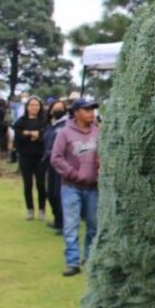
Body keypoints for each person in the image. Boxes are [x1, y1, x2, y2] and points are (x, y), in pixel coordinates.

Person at [50, 98, 101, 277]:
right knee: (71, 225)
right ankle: (72, 262)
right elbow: (56, 158)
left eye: (93, 110)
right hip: (71, 187)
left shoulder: (98, 132)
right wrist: (73, 173)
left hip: (93, 187)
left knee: (93, 225)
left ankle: (89, 258)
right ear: (77, 112)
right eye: (87, 110)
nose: (91, 113)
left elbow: (103, 155)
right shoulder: (65, 133)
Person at [13, 96, 48, 220]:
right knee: (27, 184)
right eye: (32, 105)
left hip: (40, 156)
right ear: (27, 107)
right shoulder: (20, 122)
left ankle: (42, 209)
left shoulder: (44, 121)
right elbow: (18, 139)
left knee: (41, 184)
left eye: (37, 105)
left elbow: (45, 136)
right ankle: (30, 209)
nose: (34, 107)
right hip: (25, 156)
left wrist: (30, 134)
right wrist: (32, 135)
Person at [41, 99, 68, 234]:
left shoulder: (66, 124)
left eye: (60, 107)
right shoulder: (50, 125)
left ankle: (64, 224)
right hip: (49, 163)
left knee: (59, 193)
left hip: (61, 163)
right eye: (54, 108)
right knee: (51, 193)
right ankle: (57, 220)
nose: (57, 110)